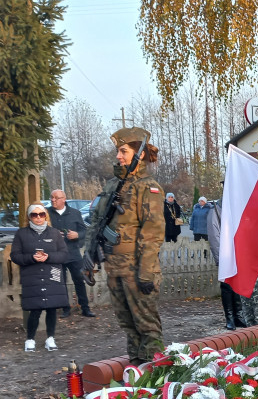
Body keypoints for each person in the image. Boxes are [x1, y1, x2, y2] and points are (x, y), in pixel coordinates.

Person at [88, 127, 165, 365]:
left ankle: (154, 375)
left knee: (147, 327)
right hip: (115, 267)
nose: (118, 156)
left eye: (123, 151)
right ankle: (136, 368)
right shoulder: (113, 185)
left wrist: (146, 272)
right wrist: (88, 255)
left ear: (139, 154)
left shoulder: (148, 187)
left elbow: (152, 233)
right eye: (118, 151)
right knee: (128, 325)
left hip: (136, 269)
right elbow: (96, 222)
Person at [10, 204, 69, 352]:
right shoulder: (21, 234)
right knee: (35, 309)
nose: (38, 217)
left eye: (41, 214)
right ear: (29, 217)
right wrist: (31, 257)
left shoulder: (54, 233)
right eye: (34, 215)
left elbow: (64, 254)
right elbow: (15, 256)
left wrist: (48, 257)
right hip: (32, 275)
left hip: (51, 274)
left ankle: (51, 338)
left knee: (51, 308)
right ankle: (30, 339)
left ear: (46, 216)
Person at [48, 189, 95, 318]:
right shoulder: (47, 214)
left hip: (73, 253)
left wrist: (77, 235)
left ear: (64, 199)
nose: (53, 200)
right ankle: (65, 309)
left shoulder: (75, 213)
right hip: (57, 254)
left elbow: (85, 232)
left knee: (79, 280)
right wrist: (54, 235)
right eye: (51, 197)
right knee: (60, 282)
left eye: (56, 198)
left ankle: (85, 308)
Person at [207, 198, 250, 330]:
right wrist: (221, 258)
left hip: (239, 253)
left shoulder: (237, 206)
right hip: (225, 254)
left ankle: (238, 315)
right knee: (227, 286)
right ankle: (230, 317)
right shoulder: (215, 210)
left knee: (237, 284)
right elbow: (214, 236)